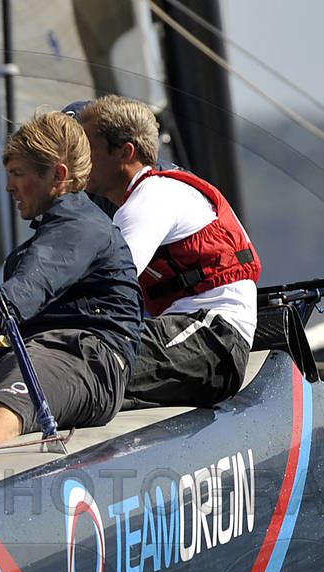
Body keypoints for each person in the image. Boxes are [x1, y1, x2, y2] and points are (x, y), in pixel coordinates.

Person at [0, 112, 144, 448]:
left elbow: (36, 281)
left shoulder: (82, 226)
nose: (9, 186)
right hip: (37, 352)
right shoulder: (42, 241)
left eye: (17, 173)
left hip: (89, 357)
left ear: (58, 174)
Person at [72, 95, 261, 407]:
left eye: (88, 148)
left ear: (125, 152)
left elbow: (104, 288)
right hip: (193, 336)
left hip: (214, 340)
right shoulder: (142, 200)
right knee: (68, 355)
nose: (79, 158)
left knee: (76, 360)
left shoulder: (152, 198)